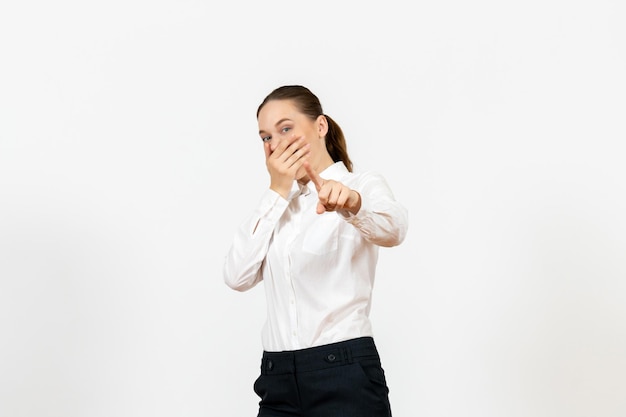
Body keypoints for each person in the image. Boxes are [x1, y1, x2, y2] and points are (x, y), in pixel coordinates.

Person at [223, 85, 408, 417]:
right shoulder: (277, 208)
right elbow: (236, 276)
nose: (275, 144)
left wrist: (352, 204)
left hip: (345, 373)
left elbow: (394, 228)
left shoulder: (361, 185)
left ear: (320, 126)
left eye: (285, 128)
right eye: (265, 137)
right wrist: (278, 190)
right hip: (277, 379)